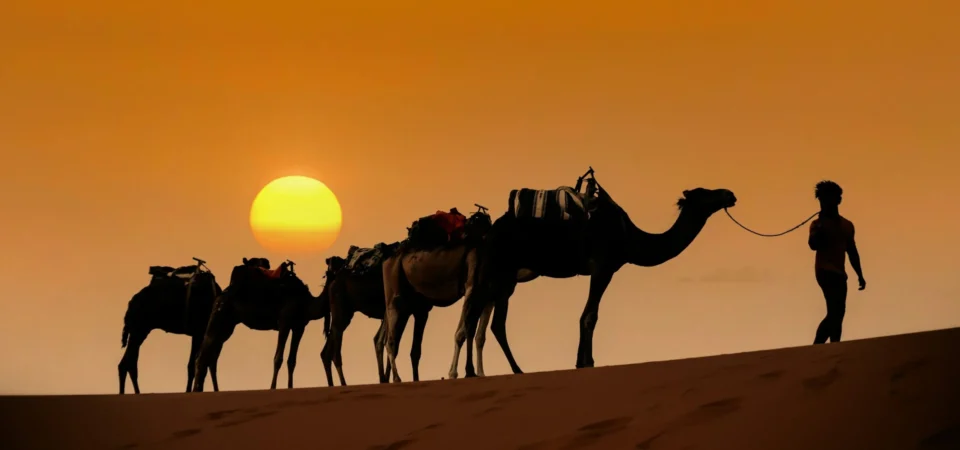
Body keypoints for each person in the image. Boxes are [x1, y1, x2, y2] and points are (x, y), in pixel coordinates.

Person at [807, 180, 866, 344]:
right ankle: (820, 346)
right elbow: (813, 245)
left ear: (838, 200)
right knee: (835, 311)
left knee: (838, 312)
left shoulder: (847, 225)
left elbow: (852, 251)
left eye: (828, 199)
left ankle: (833, 346)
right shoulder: (817, 224)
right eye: (822, 200)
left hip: (840, 273)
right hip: (825, 271)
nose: (824, 203)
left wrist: (860, 274)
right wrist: (820, 228)